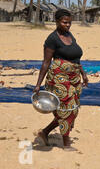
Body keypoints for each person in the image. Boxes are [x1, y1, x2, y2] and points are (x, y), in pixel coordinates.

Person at [33, 9, 88, 151]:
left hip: (74, 78)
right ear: (57, 21)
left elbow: (76, 58)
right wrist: (38, 85)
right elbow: (46, 62)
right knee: (66, 109)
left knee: (73, 110)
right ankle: (66, 144)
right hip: (59, 79)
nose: (68, 25)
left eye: (69, 22)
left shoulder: (70, 36)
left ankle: (44, 132)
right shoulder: (52, 39)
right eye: (65, 22)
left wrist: (84, 74)